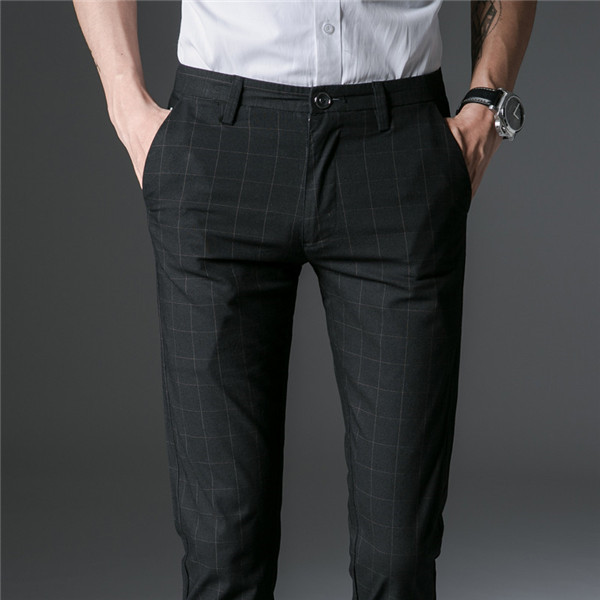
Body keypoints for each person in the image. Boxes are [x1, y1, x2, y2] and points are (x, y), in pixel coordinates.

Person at [72, 1, 537, 598]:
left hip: (395, 148)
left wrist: (485, 110)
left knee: (400, 557)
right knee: (222, 555)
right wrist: (126, 105)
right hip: (220, 148)